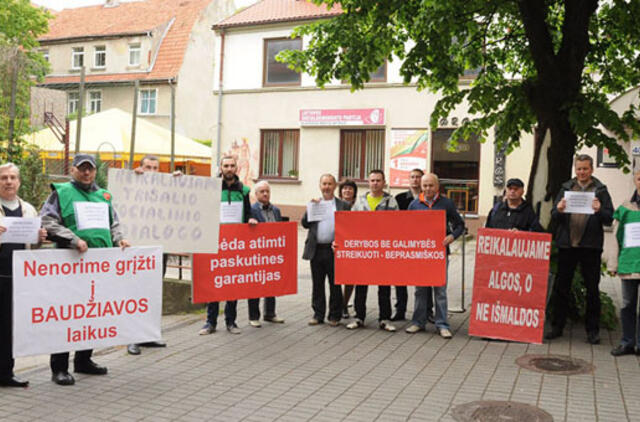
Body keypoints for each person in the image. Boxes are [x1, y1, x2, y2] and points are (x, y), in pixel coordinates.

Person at [41, 154, 131, 386]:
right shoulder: (61, 193)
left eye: (90, 169)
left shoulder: (103, 196)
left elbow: (114, 223)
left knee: (92, 313)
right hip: (69, 265)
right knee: (66, 315)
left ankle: (84, 360)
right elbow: (47, 221)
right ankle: (59, 367)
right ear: (73, 170)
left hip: (99, 267)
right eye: (82, 169)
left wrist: (119, 239)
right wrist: (73, 239)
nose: (86, 173)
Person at [546, 154, 614, 344]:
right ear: (575, 170)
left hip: (590, 247)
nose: (582, 172)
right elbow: (554, 215)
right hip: (568, 245)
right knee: (561, 288)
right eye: (579, 169)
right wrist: (558, 210)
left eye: (585, 169)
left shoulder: (600, 190)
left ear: (592, 169)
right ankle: (557, 327)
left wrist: (600, 210)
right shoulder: (567, 188)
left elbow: (609, 217)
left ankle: (592, 331)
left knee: (592, 289)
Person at [0, 163, 47, 388]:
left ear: (19, 182)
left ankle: (6, 373)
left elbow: (33, 247)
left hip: (17, 278)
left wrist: (39, 237)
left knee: (9, 328)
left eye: (12, 178)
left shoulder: (28, 209)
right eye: (3, 178)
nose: (8, 181)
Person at [199, 156, 257, 336]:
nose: (229, 169)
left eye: (232, 166)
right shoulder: (212, 189)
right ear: (221, 168)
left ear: (236, 168)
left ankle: (231, 322)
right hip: (216, 243)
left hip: (235, 245)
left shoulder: (244, 191)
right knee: (213, 285)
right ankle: (210, 322)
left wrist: (250, 219)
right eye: (226, 166)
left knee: (232, 285)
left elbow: (248, 213)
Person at [405, 173, 465, 339]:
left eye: (431, 185)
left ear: (438, 186)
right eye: (425, 186)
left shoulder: (446, 203)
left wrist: (452, 236)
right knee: (420, 290)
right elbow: (407, 228)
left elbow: (460, 225)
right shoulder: (414, 204)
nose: (428, 189)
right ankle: (418, 322)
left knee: (440, 290)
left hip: (439, 254)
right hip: (421, 254)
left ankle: (442, 324)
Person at [127, 155, 173, 355]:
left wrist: (178, 180)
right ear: (140, 168)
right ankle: (131, 338)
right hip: (137, 250)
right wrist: (131, 177)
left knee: (152, 294)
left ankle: (147, 336)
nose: (152, 172)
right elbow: (122, 196)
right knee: (134, 293)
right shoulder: (132, 184)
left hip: (159, 249)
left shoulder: (165, 189)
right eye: (148, 167)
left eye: (155, 168)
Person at [345, 169, 399, 332]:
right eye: (372, 180)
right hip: (364, 251)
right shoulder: (360, 202)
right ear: (368, 182)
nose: (375, 183)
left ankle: (385, 319)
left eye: (378, 180)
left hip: (383, 252)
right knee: (361, 286)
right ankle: (359, 317)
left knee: (384, 287)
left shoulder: (391, 202)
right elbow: (351, 225)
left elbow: (398, 226)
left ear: (384, 183)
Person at [301, 174, 349, 326]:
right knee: (317, 284)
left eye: (330, 184)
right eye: (324, 184)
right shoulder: (315, 204)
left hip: (334, 250)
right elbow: (305, 224)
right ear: (320, 186)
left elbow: (349, 228)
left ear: (335, 186)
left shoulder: (342, 205)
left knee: (335, 284)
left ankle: (335, 315)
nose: (327, 187)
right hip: (316, 249)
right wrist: (310, 208)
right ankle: (318, 314)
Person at [609, 168, 640, 356]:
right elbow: (615, 237)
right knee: (627, 304)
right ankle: (627, 341)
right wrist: (613, 264)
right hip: (629, 264)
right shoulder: (625, 208)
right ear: (635, 180)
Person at [247, 181, 285, 326]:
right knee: (255, 285)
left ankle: (270, 313)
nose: (265, 194)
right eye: (262, 191)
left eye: (267, 191)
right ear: (256, 195)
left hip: (272, 253)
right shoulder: (252, 210)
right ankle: (253, 316)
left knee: (271, 283)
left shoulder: (276, 211)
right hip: (257, 253)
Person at [393, 168, 424, 322]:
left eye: (418, 177)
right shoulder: (399, 198)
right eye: (412, 177)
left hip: (422, 245)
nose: (415, 180)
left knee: (424, 281)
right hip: (402, 244)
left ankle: (426, 311)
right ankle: (400, 310)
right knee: (400, 279)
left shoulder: (429, 198)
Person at [338, 179, 357, 318]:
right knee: (337, 278)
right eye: (344, 188)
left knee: (350, 279)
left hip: (353, 246)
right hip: (338, 245)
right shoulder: (335, 205)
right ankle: (337, 305)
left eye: (350, 188)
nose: (347, 191)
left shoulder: (359, 205)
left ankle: (344, 304)